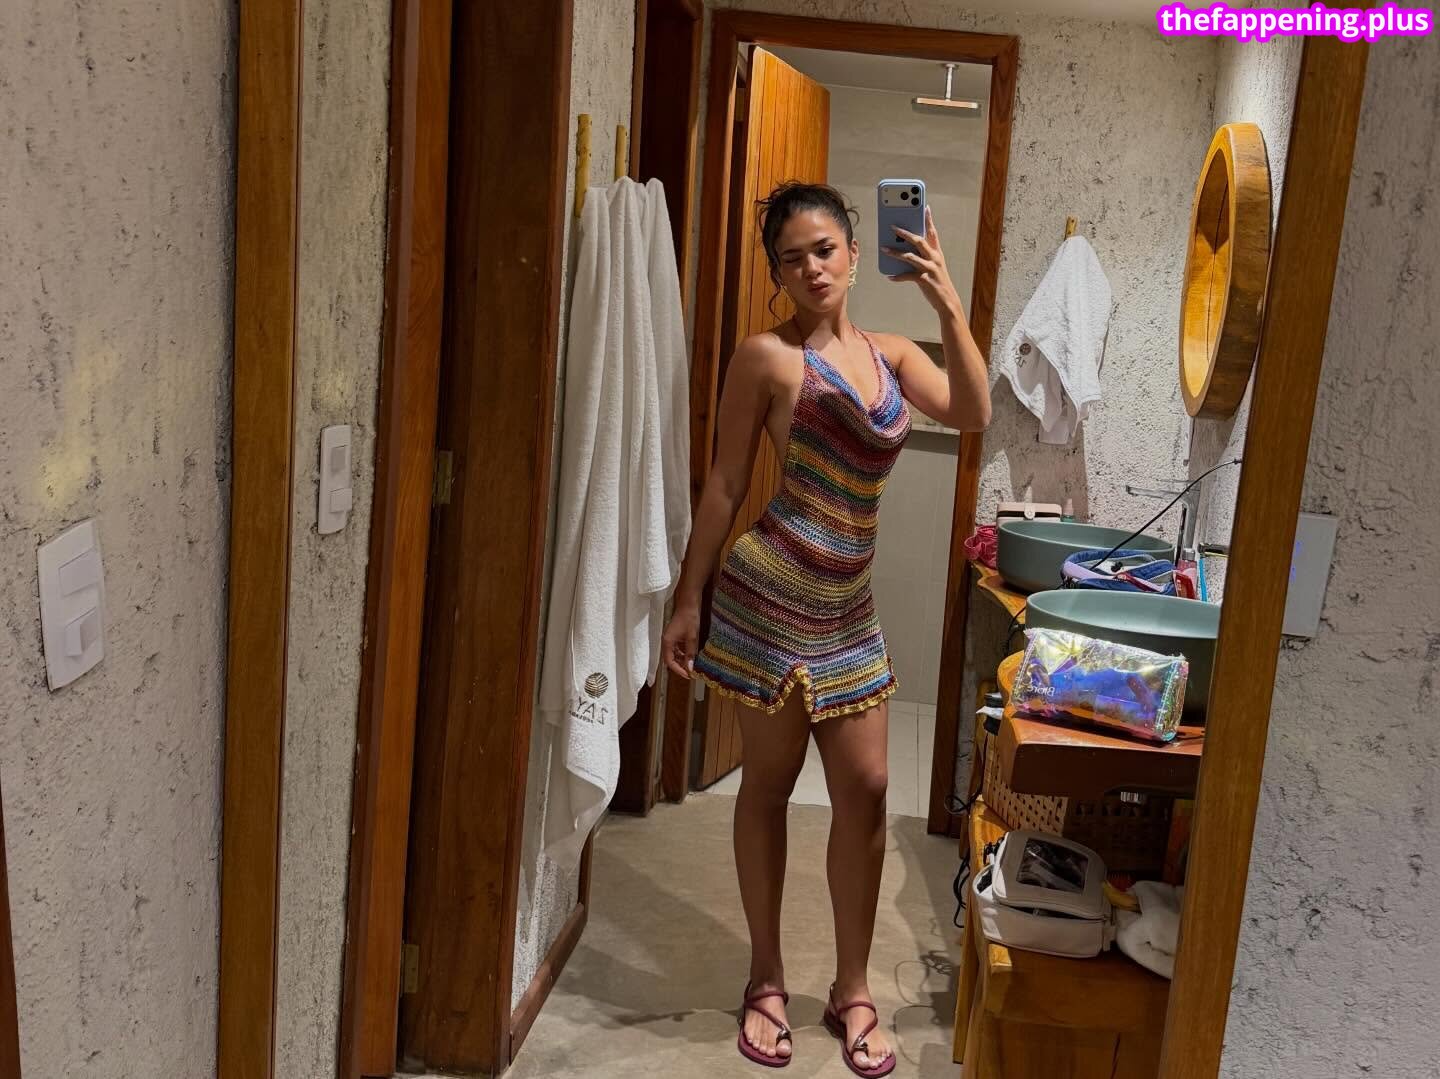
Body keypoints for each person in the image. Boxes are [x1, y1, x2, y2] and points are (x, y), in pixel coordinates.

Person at [661, 181, 991, 1075]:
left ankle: (852, 986)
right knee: (767, 787)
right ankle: (766, 976)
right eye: (791, 257)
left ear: (853, 252)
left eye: (824, 249)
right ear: (777, 273)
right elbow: (726, 484)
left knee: (869, 789)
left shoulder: (893, 355)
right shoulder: (766, 358)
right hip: (769, 596)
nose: (810, 267)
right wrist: (689, 597)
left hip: (850, 610)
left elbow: (973, 411)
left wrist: (945, 299)